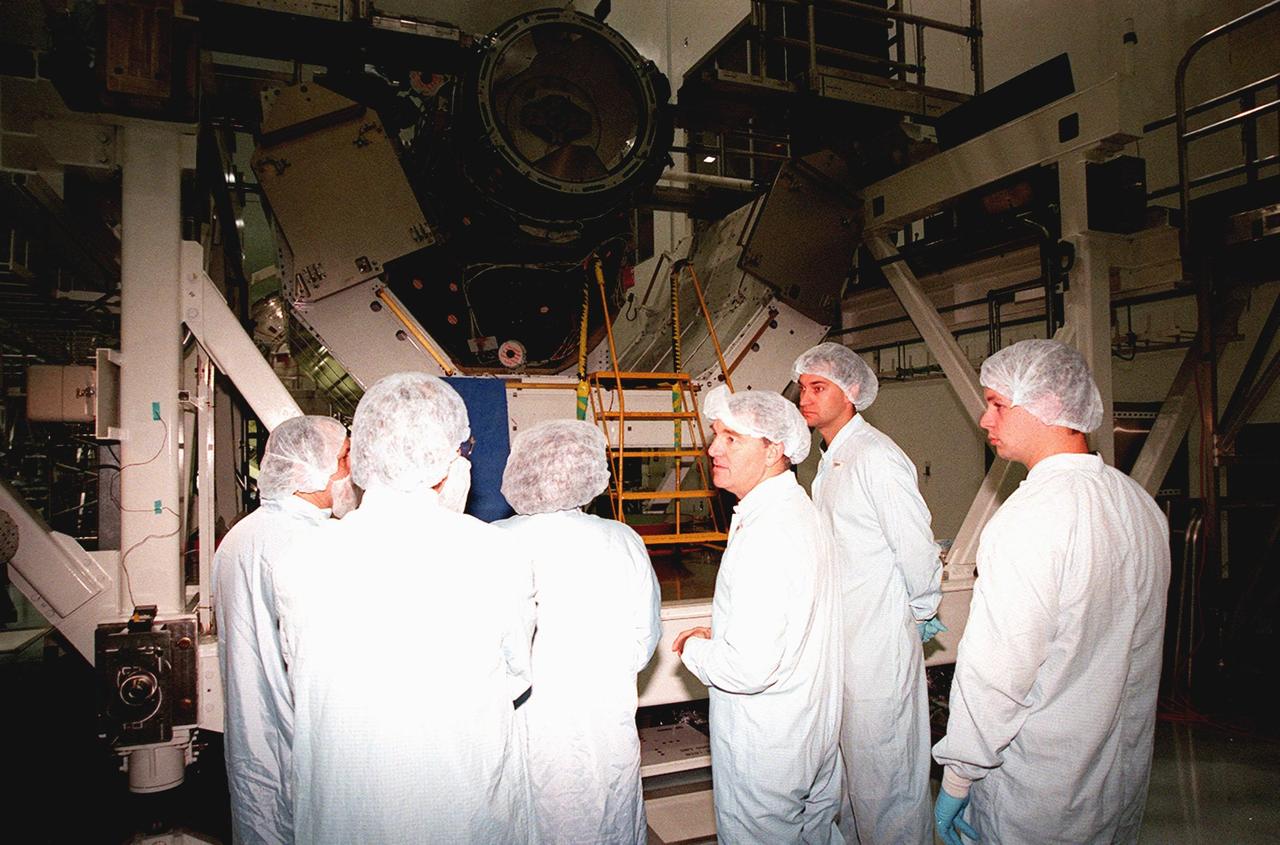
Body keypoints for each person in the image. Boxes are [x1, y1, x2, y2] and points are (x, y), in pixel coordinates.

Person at [273, 372, 536, 844]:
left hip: (344, 810)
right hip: (460, 810)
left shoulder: (301, 558)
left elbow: (301, 669)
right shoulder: (493, 554)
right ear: (445, 463)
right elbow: (517, 676)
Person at [932, 339, 1171, 845]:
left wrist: (958, 775)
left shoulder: (1028, 519)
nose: (984, 419)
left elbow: (998, 673)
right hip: (1118, 779)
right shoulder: (1139, 505)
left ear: (1049, 405)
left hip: (1039, 794)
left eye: (997, 403)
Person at [673, 385, 842, 844]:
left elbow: (750, 667)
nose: (713, 449)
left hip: (767, 744)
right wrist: (726, 634)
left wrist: (695, 648)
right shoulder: (792, 510)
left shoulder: (769, 530)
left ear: (775, 450)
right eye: (715, 435)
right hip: (808, 728)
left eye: (732, 439)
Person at [793, 341, 942, 845]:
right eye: (804, 387)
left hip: (879, 643)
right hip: (848, 641)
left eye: (819, 387)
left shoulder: (876, 456)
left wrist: (919, 613)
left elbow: (916, 548)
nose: (805, 397)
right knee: (855, 779)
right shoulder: (834, 458)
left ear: (852, 391)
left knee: (887, 779)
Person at [496, 419, 661, 845]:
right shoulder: (621, 539)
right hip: (603, 720)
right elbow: (643, 640)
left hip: (524, 725)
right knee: (609, 821)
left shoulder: (492, 542)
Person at [212, 414, 354, 845]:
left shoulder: (241, 535)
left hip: (256, 740)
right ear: (313, 470)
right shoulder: (317, 545)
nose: (354, 471)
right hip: (306, 744)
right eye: (346, 458)